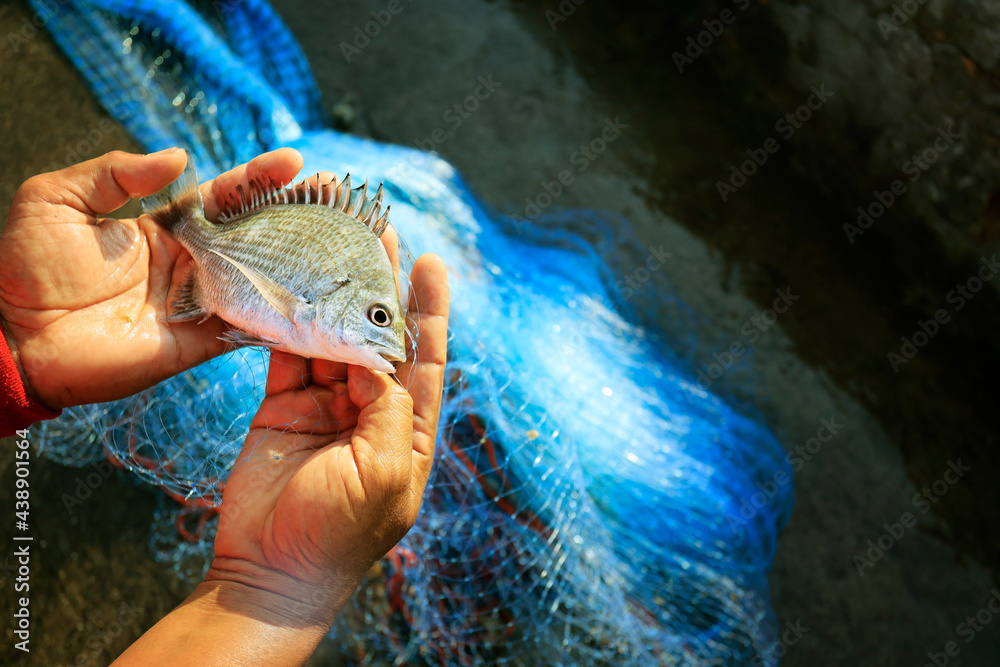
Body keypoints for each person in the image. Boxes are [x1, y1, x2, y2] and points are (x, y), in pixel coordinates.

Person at [0, 148, 450, 665]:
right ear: (343, 295)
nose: (387, 341)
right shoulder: (315, 304)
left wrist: (17, 351)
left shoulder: (336, 319)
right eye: (377, 316)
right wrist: (277, 583)